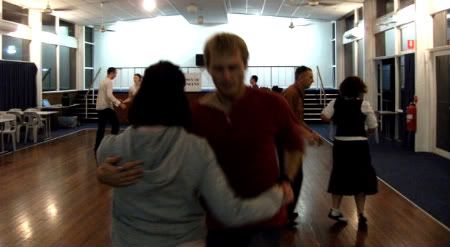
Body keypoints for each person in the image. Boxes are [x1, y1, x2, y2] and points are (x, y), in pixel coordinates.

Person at [96, 33, 304, 247]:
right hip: (212, 224)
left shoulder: (273, 103)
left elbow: (295, 145)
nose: (226, 76)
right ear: (208, 68)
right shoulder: (195, 116)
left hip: (263, 223)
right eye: (218, 68)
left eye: (233, 67)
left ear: (245, 64)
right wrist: (103, 172)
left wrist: (286, 181)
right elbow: (157, 151)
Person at [321, 76, 378, 227]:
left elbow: (324, 116)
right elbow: (372, 126)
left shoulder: (336, 102)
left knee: (339, 174)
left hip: (341, 144)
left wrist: (337, 120)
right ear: (360, 89)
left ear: (343, 88)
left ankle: (335, 210)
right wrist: (365, 132)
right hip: (360, 145)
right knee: (361, 177)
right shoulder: (364, 104)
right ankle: (361, 213)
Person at [281, 66, 322, 225]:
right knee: (293, 178)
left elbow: (297, 119)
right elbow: (289, 121)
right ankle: (284, 215)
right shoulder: (291, 94)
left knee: (295, 177)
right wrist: (308, 134)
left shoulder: (298, 93)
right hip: (287, 143)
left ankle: (287, 213)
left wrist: (310, 131)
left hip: (292, 142)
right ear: (300, 78)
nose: (312, 80)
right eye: (310, 77)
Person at [95, 67, 126, 151]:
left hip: (100, 107)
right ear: (112, 73)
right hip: (106, 108)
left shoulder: (103, 81)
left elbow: (107, 95)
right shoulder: (109, 82)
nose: (116, 75)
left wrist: (116, 100)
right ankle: (111, 145)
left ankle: (97, 148)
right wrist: (119, 104)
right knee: (116, 125)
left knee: (101, 129)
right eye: (115, 73)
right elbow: (109, 95)